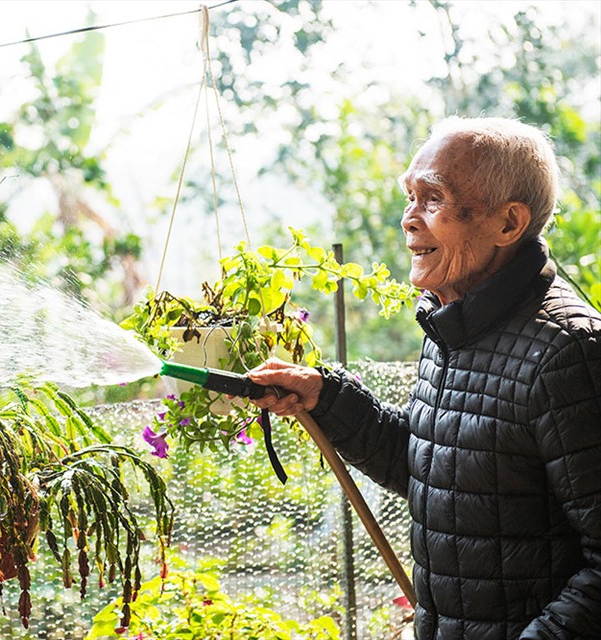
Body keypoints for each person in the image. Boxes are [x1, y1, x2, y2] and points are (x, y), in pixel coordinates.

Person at [248, 116, 601, 639]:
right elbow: (436, 471)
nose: (409, 220)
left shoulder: (570, 352)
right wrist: (326, 397)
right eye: (409, 197)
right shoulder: (452, 324)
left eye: (432, 198)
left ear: (508, 223)